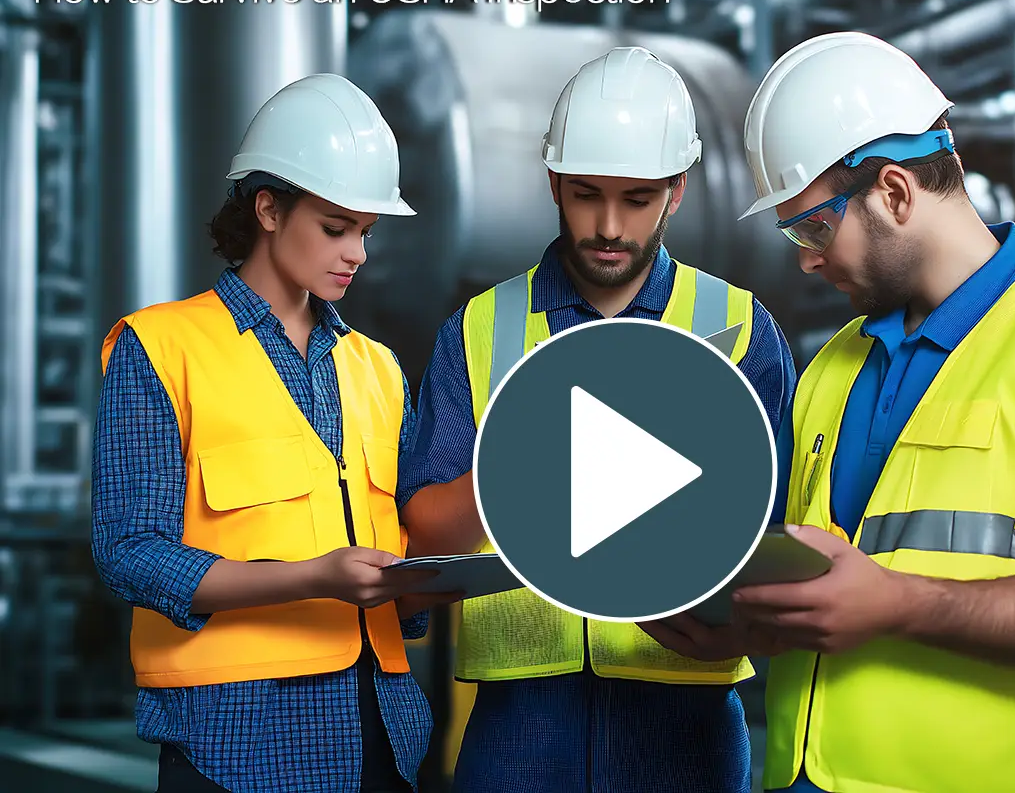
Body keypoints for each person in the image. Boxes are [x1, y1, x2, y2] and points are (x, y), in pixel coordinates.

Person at [647, 31, 1015, 792]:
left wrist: (895, 605)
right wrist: (728, 626)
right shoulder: (830, 369)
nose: (806, 259)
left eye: (814, 227)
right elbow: (820, 595)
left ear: (894, 192)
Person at [395, 46, 798, 793]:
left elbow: (775, 538)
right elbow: (425, 531)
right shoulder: (481, 328)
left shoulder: (740, 327)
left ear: (678, 190)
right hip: (519, 720)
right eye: (584, 194)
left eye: (638, 198)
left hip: (687, 720)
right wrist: (540, 451)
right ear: (551, 181)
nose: (608, 225)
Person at [91, 73, 458, 793]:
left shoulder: (378, 369)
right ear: (267, 208)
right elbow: (129, 552)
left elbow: (400, 565)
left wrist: (432, 580)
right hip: (234, 738)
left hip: (382, 735)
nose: (356, 253)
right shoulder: (162, 347)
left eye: (366, 232)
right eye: (335, 227)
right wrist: (313, 578)